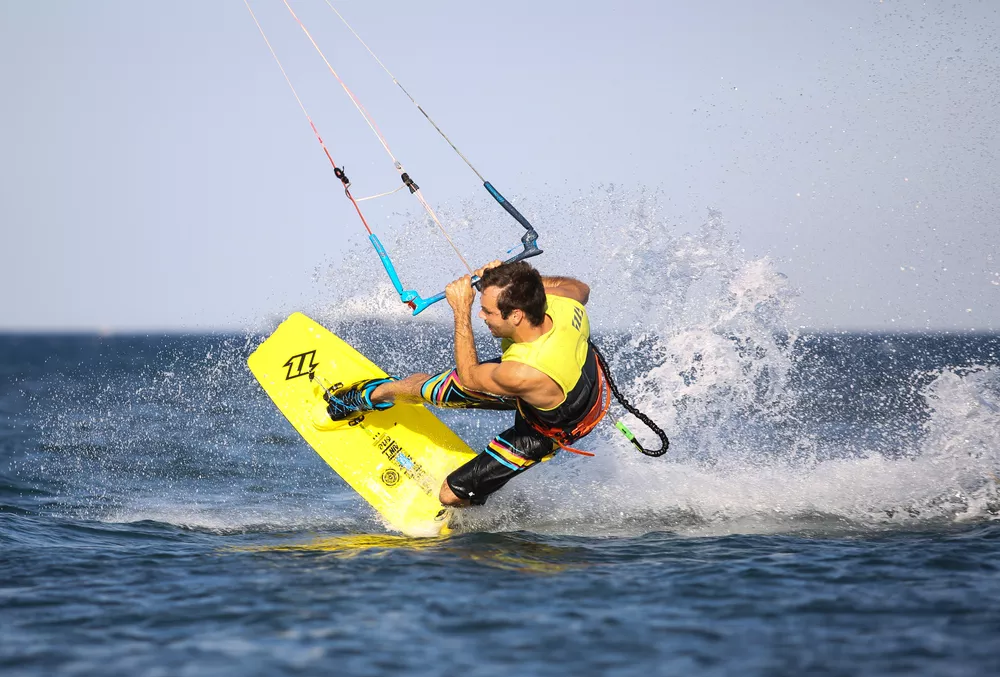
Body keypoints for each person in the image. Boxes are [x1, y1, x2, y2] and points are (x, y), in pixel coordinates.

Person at [325, 261, 608, 507]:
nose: (481, 315)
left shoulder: (518, 373)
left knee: (449, 496)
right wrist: (513, 281)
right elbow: (580, 287)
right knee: (431, 390)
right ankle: (374, 394)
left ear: (517, 315)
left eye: (488, 312)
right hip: (563, 381)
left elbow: (471, 377)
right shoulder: (564, 303)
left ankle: (480, 498)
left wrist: (461, 309)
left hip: (549, 427)